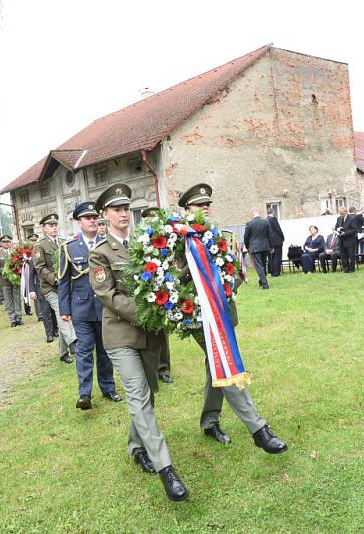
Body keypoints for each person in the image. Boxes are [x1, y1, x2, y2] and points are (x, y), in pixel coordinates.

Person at [89, 183, 188, 502]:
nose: (123, 214)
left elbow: (161, 278)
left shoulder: (144, 244)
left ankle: (135, 447)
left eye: (125, 208)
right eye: (116, 209)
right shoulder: (100, 253)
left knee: (148, 394)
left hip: (151, 335)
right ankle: (166, 468)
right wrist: (145, 314)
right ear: (105, 215)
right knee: (138, 394)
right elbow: (108, 295)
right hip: (121, 335)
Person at [179, 184, 288, 455]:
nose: (205, 208)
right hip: (198, 315)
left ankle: (209, 420)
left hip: (223, 314)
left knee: (214, 365)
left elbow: (236, 272)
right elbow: (172, 279)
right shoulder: (178, 239)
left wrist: (229, 282)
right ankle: (258, 429)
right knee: (225, 363)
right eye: (198, 205)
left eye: (207, 204)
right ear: (185, 210)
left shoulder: (219, 236)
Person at [59, 201, 122, 409]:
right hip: (81, 309)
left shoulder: (107, 244)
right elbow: (64, 281)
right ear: (79, 222)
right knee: (85, 350)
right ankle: (84, 394)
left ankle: (108, 388)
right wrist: (64, 309)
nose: (93, 221)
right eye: (88, 218)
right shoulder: (69, 248)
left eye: (95, 217)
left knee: (105, 350)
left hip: (104, 307)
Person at [33, 214, 77, 363]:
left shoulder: (63, 242)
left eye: (56, 225)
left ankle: (63, 353)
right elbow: (39, 268)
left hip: (65, 286)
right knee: (61, 313)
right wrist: (54, 278)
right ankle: (74, 342)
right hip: (50, 288)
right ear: (44, 228)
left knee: (65, 315)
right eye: (51, 226)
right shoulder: (40, 245)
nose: (54, 228)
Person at [140, 206, 173, 384]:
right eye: (149, 219)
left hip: (163, 291)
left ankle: (164, 368)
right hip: (145, 290)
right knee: (145, 331)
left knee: (162, 332)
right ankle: (149, 367)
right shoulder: (139, 240)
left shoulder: (166, 240)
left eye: (155, 219)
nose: (152, 222)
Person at [0, 235, 23, 327]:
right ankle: (12, 319)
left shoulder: (14, 252)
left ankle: (18, 317)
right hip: (5, 280)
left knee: (17, 298)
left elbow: (19, 263)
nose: (7, 243)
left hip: (15, 279)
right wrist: (4, 270)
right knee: (8, 300)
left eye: (8, 242)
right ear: (1, 243)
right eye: (4, 242)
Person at [243, 207, 272, 289]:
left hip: (255, 247)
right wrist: (271, 246)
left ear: (253, 213)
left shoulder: (250, 224)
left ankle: (264, 284)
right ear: (259, 212)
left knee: (259, 266)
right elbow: (270, 235)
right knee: (263, 264)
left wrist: (247, 246)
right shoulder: (266, 222)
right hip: (265, 246)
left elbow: (246, 237)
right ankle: (261, 281)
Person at [335, 206, 362, 273]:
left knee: (351, 255)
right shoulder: (338, 219)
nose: (341, 215)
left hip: (350, 240)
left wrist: (345, 233)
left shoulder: (352, 218)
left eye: (342, 213)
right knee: (343, 255)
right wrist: (337, 230)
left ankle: (351, 269)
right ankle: (346, 268)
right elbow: (336, 227)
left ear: (346, 212)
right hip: (341, 239)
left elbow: (354, 229)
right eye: (340, 213)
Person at [267, 209, 285, 277]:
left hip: (270, 242)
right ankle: (276, 272)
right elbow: (278, 229)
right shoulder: (273, 219)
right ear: (273, 212)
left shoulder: (265, 220)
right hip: (277, 241)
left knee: (271, 258)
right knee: (277, 257)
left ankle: (271, 272)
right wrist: (282, 238)